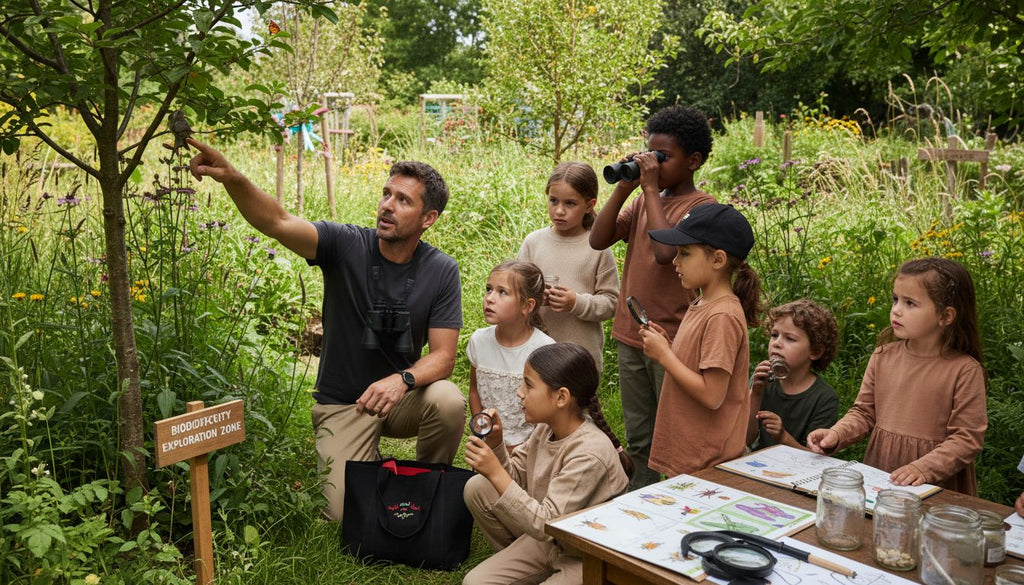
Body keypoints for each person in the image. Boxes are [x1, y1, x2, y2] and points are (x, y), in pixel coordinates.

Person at [187, 138, 466, 522]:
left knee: (448, 401)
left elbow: (444, 357)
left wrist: (401, 380)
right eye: (386, 194)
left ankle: (428, 484)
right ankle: (370, 467)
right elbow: (277, 221)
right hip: (343, 404)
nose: (387, 205)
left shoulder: (442, 269)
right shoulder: (344, 244)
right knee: (341, 514)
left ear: (428, 218)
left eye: (403, 200)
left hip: (399, 399)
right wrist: (233, 177)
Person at [589, 105, 717, 489]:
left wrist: (647, 188)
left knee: (676, 434)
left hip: (673, 341)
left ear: (693, 161)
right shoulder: (645, 199)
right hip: (632, 335)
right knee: (640, 433)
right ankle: (642, 500)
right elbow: (598, 239)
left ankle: (681, 497)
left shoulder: (701, 207)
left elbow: (666, 253)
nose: (653, 165)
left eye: (662, 157)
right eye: (649, 154)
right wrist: (626, 188)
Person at [807, 257, 987, 496]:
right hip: (882, 475)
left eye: (910, 303)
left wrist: (922, 468)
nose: (896, 310)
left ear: (945, 316)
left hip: (933, 485)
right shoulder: (883, 356)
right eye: (895, 299)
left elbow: (966, 439)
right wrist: (837, 433)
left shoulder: (964, 370)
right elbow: (864, 412)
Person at [462, 343, 632, 585]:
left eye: (528, 385)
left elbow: (546, 523)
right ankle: (523, 563)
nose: (519, 392)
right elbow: (516, 477)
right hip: (547, 540)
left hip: (584, 555)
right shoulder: (545, 429)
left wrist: (495, 471)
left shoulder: (589, 453)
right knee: (475, 581)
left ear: (561, 397)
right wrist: (497, 445)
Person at [639, 203, 762, 479]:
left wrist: (664, 357)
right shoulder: (702, 302)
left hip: (705, 461)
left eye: (684, 253)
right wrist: (668, 346)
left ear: (718, 260)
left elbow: (712, 394)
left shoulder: (722, 316)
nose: (675, 261)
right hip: (691, 454)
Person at [517, 162, 618, 371]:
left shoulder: (598, 247)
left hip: (581, 358)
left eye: (570, 203)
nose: (559, 211)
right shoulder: (533, 243)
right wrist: (534, 299)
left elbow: (611, 303)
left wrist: (576, 303)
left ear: (589, 205)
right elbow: (515, 292)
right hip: (535, 355)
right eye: (553, 201)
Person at [468, 261, 555, 449]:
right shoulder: (478, 341)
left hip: (529, 449)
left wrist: (524, 449)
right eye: (488, 289)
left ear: (527, 305)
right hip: (488, 443)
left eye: (502, 292)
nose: (489, 298)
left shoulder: (544, 349)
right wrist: (482, 430)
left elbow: (549, 411)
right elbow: (474, 391)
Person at [746, 299, 839, 450]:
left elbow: (816, 457)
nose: (777, 343)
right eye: (774, 335)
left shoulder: (824, 398)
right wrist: (755, 393)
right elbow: (746, 439)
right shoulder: (762, 381)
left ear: (815, 352)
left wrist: (783, 437)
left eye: (790, 338)